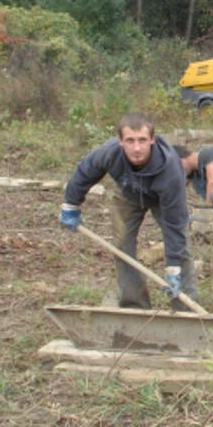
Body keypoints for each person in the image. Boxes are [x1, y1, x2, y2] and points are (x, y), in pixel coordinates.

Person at [58, 112, 195, 309]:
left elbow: (175, 223)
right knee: (122, 246)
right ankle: (134, 305)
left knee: (180, 252)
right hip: (128, 192)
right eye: (130, 140)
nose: (137, 148)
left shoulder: (170, 169)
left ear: (152, 139)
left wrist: (173, 267)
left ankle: (185, 308)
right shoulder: (109, 153)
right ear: (120, 141)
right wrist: (71, 204)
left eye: (142, 140)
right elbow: (85, 172)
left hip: (162, 199)